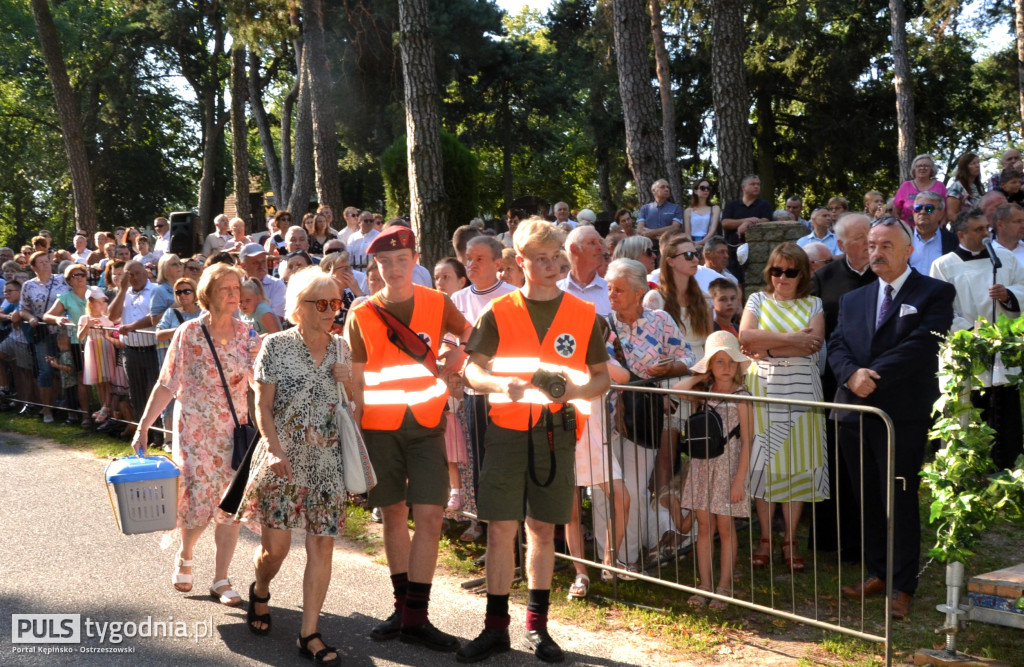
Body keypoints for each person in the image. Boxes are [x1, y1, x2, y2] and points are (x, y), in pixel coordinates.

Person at [458, 219, 610, 663]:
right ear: (519, 263)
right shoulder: (500, 311)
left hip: (556, 433)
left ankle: (537, 627)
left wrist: (575, 391)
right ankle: (495, 629)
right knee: (501, 529)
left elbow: (600, 377)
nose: (550, 264)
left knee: (543, 529)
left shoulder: (583, 314)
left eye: (555, 256)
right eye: (540, 258)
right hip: (506, 432)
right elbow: (472, 368)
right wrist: (496, 384)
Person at [346, 225, 471, 651]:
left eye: (403, 260)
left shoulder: (437, 302)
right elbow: (356, 383)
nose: (395, 268)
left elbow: (472, 335)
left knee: (432, 515)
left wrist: (459, 355)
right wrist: (354, 441)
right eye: (386, 262)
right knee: (394, 515)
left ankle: (416, 617)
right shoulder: (361, 313)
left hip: (426, 427)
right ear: (375, 266)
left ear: (415, 260)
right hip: (379, 430)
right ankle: (404, 610)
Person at [829, 216, 955, 620]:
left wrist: (871, 376)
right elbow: (837, 345)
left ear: (907, 250)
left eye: (885, 245)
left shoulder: (934, 292)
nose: (876, 252)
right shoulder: (855, 299)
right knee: (865, 497)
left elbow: (922, 345)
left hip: (901, 415)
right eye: (871, 245)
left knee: (897, 499)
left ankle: (902, 584)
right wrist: (851, 374)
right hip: (855, 413)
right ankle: (877, 572)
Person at [232, 268, 350, 664]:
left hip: (327, 464)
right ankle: (260, 590)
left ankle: (309, 633)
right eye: (323, 304)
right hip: (282, 461)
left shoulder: (340, 348)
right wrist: (276, 449)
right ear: (299, 308)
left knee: (321, 545)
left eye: (336, 303)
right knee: (275, 551)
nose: (333, 311)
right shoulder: (276, 346)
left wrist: (348, 381)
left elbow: (353, 410)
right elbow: (262, 407)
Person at [130, 262, 260, 609]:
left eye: (237, 289)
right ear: (208, 293)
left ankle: (221, 578)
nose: (235, 295)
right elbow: (167, 383)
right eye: (226, 289)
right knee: (198, 495)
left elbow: (262, 384)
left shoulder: (248, 336)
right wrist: (144, 425)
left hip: (234, 434)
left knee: (229, 506)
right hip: (193, 431)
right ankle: (186, 555)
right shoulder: (188, 333)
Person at [738, 242, 827, 574]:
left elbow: (814, 344)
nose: (782, 277)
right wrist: (793, 339)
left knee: (798, 465)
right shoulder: (757, 300)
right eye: (776, 270)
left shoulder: (814, 303)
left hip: (802, 396)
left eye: (790, 271)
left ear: (802, 274)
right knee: (764, 464)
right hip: (763, 390)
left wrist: (769, 345)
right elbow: (745, 337)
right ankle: (764, 538)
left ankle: (789, 540)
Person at [603, 258, 691, 582]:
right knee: (605, 491)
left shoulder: (661, 321)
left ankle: (627, 559)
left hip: (644, 418)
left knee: (636, 489)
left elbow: (689, 359)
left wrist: (670, 369)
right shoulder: (603, 324)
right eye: (609, 288)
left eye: (619, 289)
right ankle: (607, 559)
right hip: (607, 417)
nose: (612, 294)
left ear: (639, 292)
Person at [930, 207, 1024, 470]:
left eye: (987, 229)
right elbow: (940, 310)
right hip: (967, 351)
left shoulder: (1004, 258)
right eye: (979, 230)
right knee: (968, 413)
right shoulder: (944, 265)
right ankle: (967, 473)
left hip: (1003, 349)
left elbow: (1023, 288)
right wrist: (973, 335)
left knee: (1004, 416)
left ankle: (1005, 470)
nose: (986, 235)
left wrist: (1008, 295)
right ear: (961, 234)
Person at [809, 213, 875, 559]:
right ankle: (835, 541)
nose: (868, 242)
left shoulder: (886, 274)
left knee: (873, 467)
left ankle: (873, 541)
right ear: (842, 244)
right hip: (836, 384)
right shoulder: (824, 277)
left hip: (880, 382)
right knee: (836, 464)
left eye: (870, 235)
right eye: (861, 237)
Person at [672, 331, 751, 608]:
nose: (726, 367)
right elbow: (676, 390)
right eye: (719, 362)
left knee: (725, 526)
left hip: (728, 468)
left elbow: (748, 441)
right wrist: (700, 375)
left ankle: (724, 586)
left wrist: (740, 479)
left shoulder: (743, 396)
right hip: (702, 466)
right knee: (704, 526)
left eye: (731, 362)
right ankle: (704, 584)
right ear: (710, 366)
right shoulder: (702, 394)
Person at [449, 236, 516, 541]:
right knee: (480, 464)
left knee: (511, 464)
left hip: (511, 396)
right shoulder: (458, 300)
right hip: (474, 395)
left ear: (498, 264)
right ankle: (490, 534)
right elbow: (448, 346)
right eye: (468, 259)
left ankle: (519, 538)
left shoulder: (515, 296)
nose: (471, 264)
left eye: (479, 259)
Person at [109, 260, 161, 446]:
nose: (134, 278)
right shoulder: (124, 293)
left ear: (146, 273)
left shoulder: (156, 290)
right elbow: (112, 316)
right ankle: (144, 434)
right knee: (137, 394)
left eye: (137, 273)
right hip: (131, 351)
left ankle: (159, 435)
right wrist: (122, 290)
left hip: (152, 350)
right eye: (129, 275)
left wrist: (132, 326)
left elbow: (155, 317)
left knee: (153, 392)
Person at [643, 235, 713, 360]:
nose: (696, 260)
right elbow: (649, 345)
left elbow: (710, 342)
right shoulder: (655, 299)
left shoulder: (705, 299)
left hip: (701, 369)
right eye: (688, 255)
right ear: (670, 261)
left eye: (696, 254)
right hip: (670, 373)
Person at [20, 251, 68, 423]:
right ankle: (47, 409)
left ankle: (67, 408)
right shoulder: (29, 286)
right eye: (40, 262)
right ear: (33, 267)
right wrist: (31, 318)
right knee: (46, 370)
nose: (45, 264)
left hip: (63, 333)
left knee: (65, 368)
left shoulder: (62, 279)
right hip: (43, 333)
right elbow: (23, 309)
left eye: (47, 261)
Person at [42, 263, 91, 424]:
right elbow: (47, 316)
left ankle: (105, 415)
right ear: (69, 280)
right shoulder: (65, 298)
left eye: (82, 275)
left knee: (103, 381)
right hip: (78, 343)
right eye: (75, 276)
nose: (80, 278)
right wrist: (57, 318)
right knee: (82, 378)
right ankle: (85, 416)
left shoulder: (96, 293)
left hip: (98, 341)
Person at [721, 174, 772, 281]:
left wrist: (747, 224)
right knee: (734, 280)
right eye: (753, 184)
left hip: (757, 250)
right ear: (743, 187)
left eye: (758, 184)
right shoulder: (732, 205)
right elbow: (725, 223)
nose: (756, 186)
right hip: (733, 250)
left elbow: (766, 220)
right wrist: (746, 220)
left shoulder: (764, 204)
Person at [909, 191, 957, 276]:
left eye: (929, 208)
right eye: (918, 208)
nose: (923, 212)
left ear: (941, 214)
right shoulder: (902, 239)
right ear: (913, 212)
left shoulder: (953, 241)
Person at [893, 153, 948, 225]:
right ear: (914, 169)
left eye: (926, 166)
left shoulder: (939, 186)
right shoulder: (906, 186)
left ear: (931, 169)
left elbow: (947, 209)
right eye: (919, 166)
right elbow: (896, 209)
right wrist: (900, 226)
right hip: (908, 231)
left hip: (933, 230)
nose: (922, 168)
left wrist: (942, 226)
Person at [240, 243, 286, 321]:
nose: (261, 265)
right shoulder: (236, 286)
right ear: (243, 266)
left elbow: (276, 321)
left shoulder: (277, 285)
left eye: (263, 261)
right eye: (255, 262)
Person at [946, 152, 986, 222]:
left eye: (978, 163)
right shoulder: (957, 186)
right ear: (965, 167)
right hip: (964, 229)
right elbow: (951, 215)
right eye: (973, 163)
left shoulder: (979, 187)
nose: (977, 166)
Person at [684, 179, 720, 244]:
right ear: (695, 191)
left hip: (710, 243)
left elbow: (713, 229)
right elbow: (687, 233)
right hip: (692, 243)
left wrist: (702, 242)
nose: (706, 190)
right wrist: (692, 243)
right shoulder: (688, 211)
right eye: (702, 188)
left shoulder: (715, 208)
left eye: (708, 188)